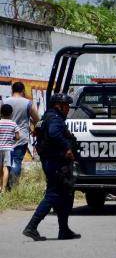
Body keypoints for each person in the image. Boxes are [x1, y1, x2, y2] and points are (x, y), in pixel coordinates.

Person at [22, 93, 80, 241]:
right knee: (53, 194)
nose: (68, 109)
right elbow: (54, 134)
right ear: (57, 106)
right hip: (57, 163)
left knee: (64, 195)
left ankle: (64, 230)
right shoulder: (55, 119)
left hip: (50, 162)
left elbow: (37, 133)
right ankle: (32, 226)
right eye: (66, 105)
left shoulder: (45, 118)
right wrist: (67, 148)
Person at [1, 82, 40, 187]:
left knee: (4, 163)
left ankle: (4, 185)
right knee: (16, 162)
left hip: (5, 138)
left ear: (12, 90)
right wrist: (33, 126)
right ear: (23, 91)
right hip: (21, 138)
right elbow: (37, 119)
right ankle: (12, 186)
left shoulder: (4, 101)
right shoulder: (28, 103)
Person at [0, 104, 20, 193]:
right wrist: (12, 138)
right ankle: (3, 189)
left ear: (1, 113)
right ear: (11, 113)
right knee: (6, 168)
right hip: (8, 149)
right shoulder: (13, 124)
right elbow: (18, 136)